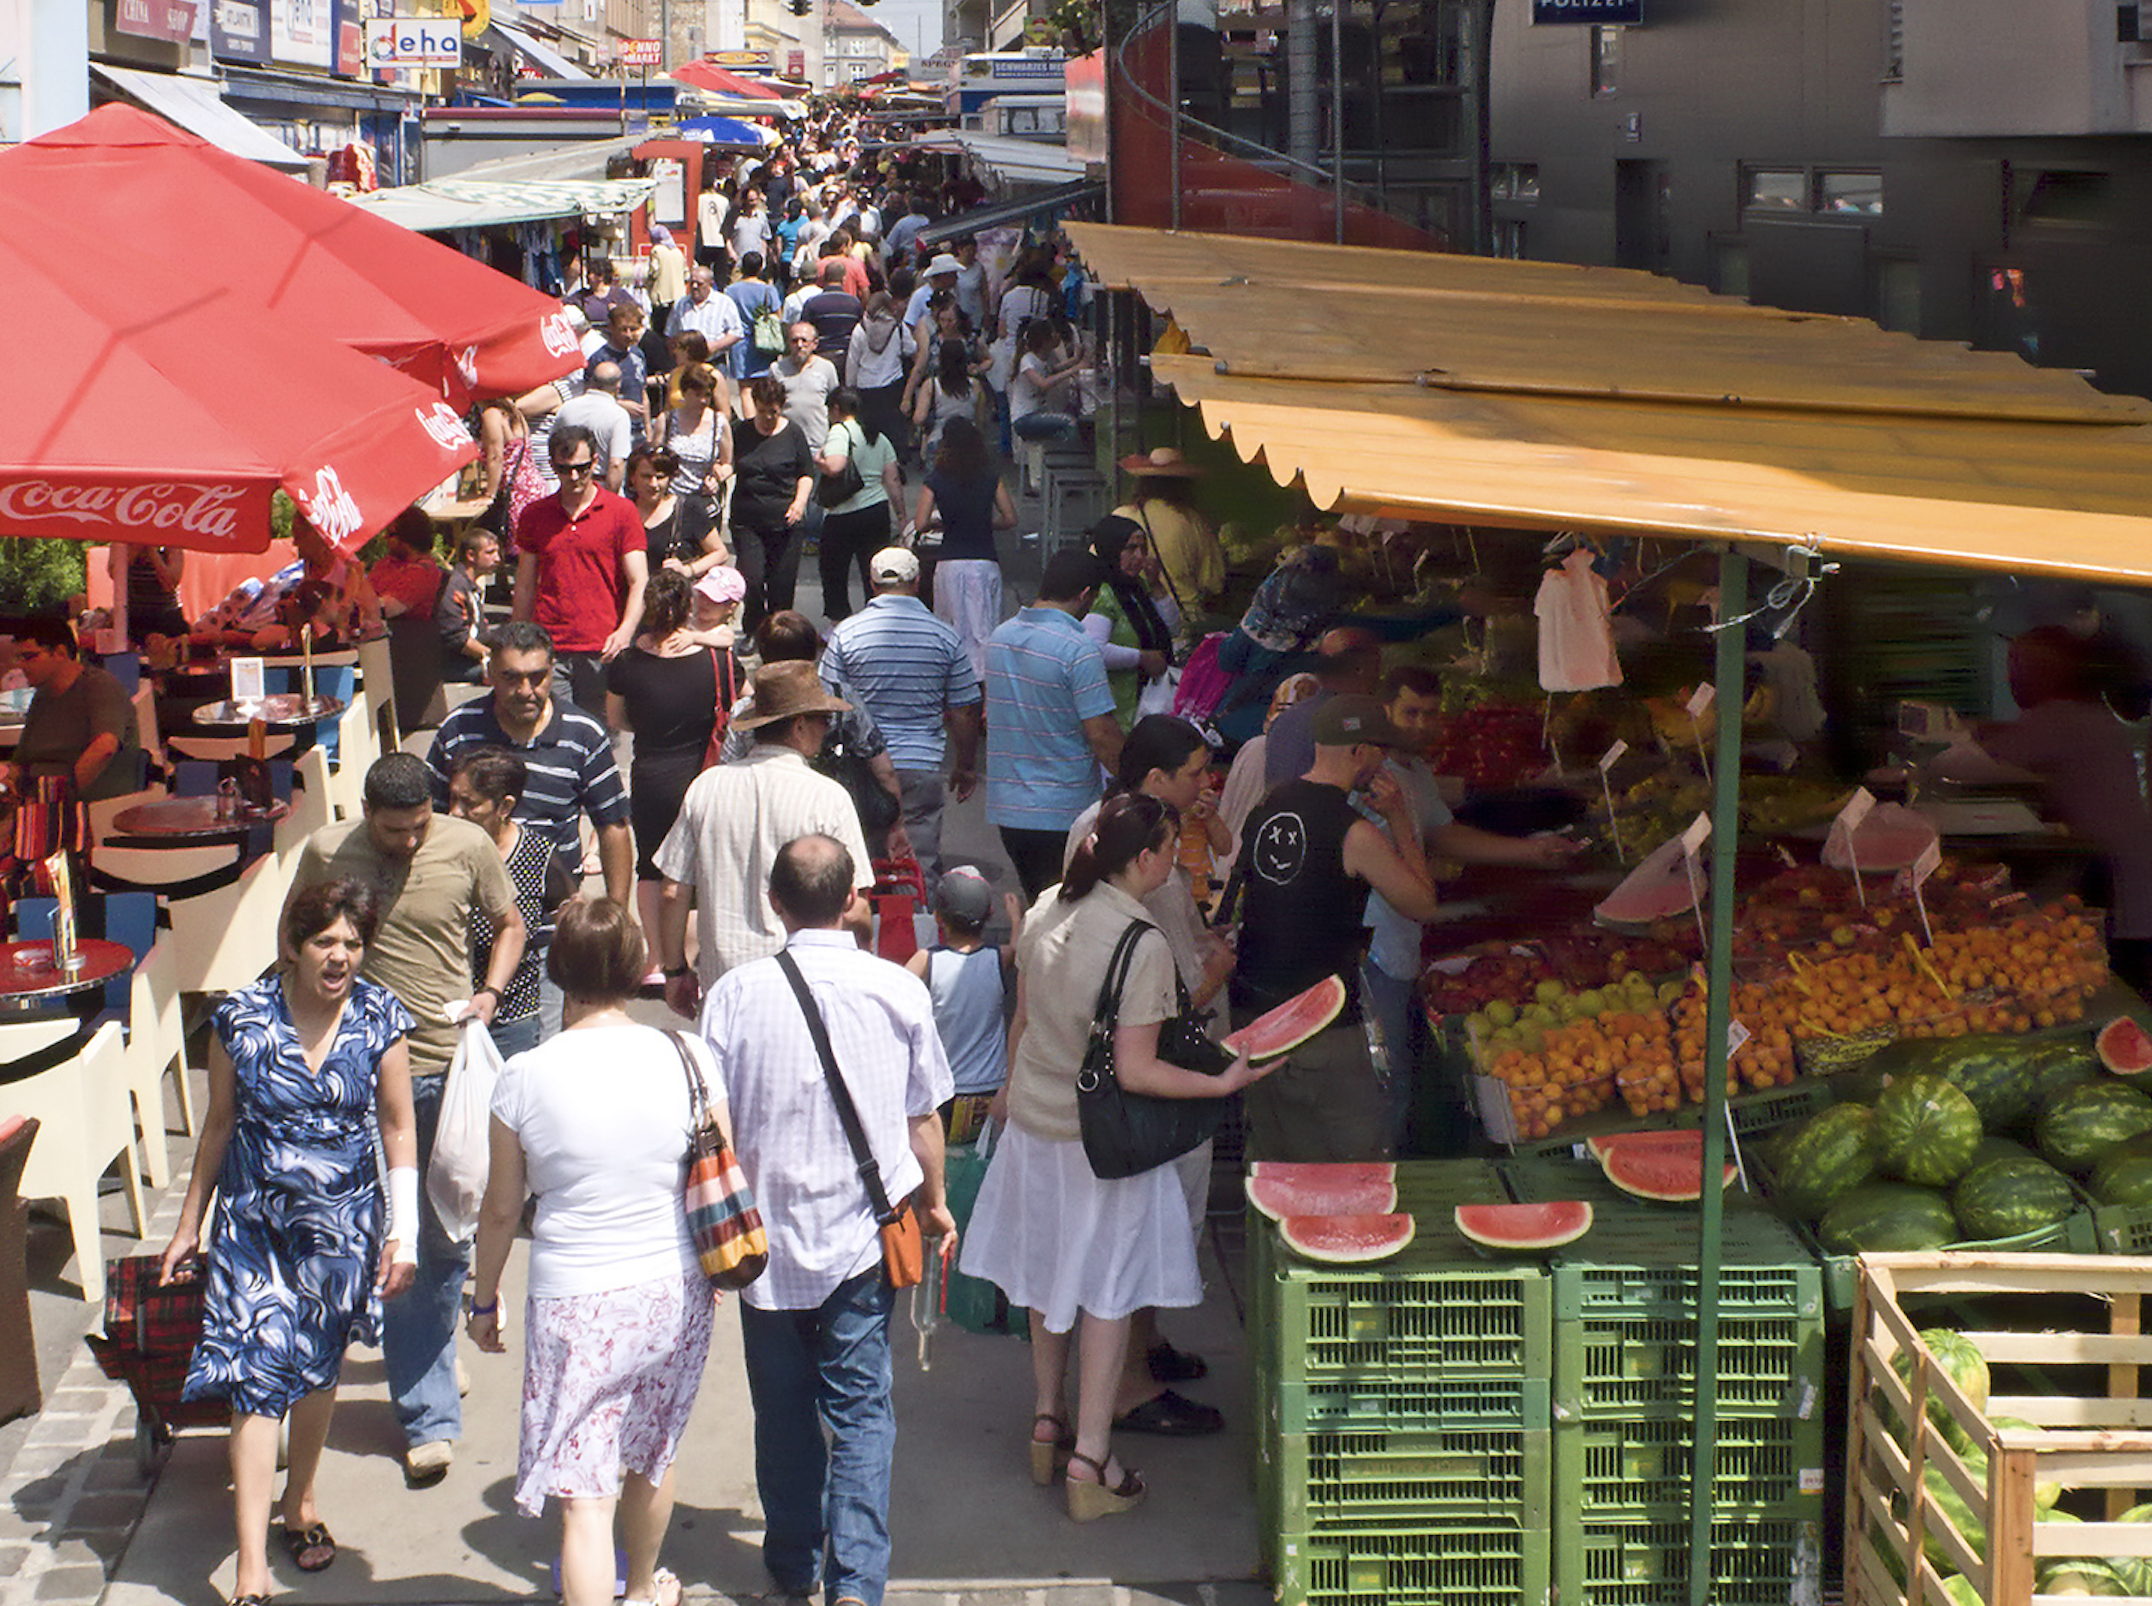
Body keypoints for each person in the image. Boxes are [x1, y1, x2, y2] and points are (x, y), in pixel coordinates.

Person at [960, 794, 1270, 1521]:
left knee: (1045, 1278)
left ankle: (1048, 1420)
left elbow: (1025, 1020)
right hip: (1102, 1146)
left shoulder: (1045, 909)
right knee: (1106, 1293)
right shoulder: (1141, 941)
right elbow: (1136, 1070)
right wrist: (1221, 1082)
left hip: (1035, 1129)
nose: (1176, 862)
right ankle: (1092, 1461)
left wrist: (1009, 1090)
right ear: (1145, 859)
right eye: (1170, 849)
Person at [696, 835, 956, 1605]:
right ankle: (856, 1583)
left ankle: (793, 1560)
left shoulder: (734, 996)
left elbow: (710, 1129)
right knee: (862, 1410)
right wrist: (935, 1203)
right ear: (852, 899)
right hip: (863, 1239)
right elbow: (923, 1119)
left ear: (774, 904)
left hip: (762, 1245)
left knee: (782, 1410)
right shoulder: (898, 990)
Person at [159, 878, 418, 1605]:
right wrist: (188, 1225)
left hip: (342, 1231)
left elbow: (398, 1126)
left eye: (353, 944)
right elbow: (218, 1125)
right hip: (255, 1228)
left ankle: (299, 1500)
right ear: (294, 946)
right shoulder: (240, 1019)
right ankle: (251, 1568)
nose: (340, 957)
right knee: (257, 1376)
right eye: (325, 942)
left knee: (317, 1370)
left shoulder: (379, 1016)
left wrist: (404, 1233)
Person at [286, 754, 525, 1486]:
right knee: (364, 1237)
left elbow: (510, 923)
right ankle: (421, 1372)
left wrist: (489, 993)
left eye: (421, 825)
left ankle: (427, 1401)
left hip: (443, 1070)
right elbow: (293, 938)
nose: (411, 841)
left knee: (440, 1237)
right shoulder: (327, 850)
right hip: (355, 1075)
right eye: (396, 831)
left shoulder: (467, 844)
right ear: (366, 814)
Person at [467, 897, 714, 1606]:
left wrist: (483, 1299)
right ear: (636, 968)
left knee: (583, 1498)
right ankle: (642, 1590)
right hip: (673, 1287)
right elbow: (719, 1168)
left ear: (558, 972)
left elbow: (502, 1209)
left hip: (574, 1298)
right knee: (652, 1453)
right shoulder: (687, 1055)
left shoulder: (524, 1076)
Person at [1230, 696, 1440, 1162]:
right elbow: (1422, 904)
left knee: (1274, 1159)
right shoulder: (1355, 833)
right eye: (1380, 750)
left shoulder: (1268, 804)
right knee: (1351, 1166)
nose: (1384, 761)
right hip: (1321, 1032)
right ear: (1359, 751)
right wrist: (1400, 818)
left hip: (1253, 1017)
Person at [425, 620, 636, 1040]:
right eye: (511, 678)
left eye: (537, 677)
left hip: (549, 937)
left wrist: (614, 916)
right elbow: (432, 819)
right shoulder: (458, 730)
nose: (526, 690)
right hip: (463, 933)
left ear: (552, 670)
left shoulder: (583, 734)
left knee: (544, 1050)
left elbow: (612, 825)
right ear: (490, 674)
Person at [655, 662, 877, 1010]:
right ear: (799, 726)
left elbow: (672, 892)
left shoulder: (706, 788)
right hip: (806, 987)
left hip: (724, 985)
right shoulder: (829, 798)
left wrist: (675, 971)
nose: (827, 728)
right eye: (823, 719)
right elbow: (855, 907)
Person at [1956, 625, 2152, 995]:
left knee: (2119, 985)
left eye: (2020, 668)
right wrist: (1979, 728)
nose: (2012, 679)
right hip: (2128, 867)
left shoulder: (2057, 718)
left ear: (2052, 673)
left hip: (2115, 875)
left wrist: (1949, 736)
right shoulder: (2089, 714)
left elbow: (1971, 766)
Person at [818, 546, 980, 887]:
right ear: (918, 582)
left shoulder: (846, 634)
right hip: (921, 765)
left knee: (857, 866)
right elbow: (965, 709)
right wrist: (965, 765)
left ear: (872, 584)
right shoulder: (945, 636)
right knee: (916, 869)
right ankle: (917, 918)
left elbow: (828, 703)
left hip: (861, 768)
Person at [606, 568, 737, 952]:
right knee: (696, 870)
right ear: (687, 607)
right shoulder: (717, 660)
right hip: (702, 777)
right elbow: (742, 705)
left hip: (650, 777)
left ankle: (656, 959)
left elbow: (616, 719)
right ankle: (687, 957)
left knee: (649, 868)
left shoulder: (627, 663)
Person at [984, 548, 1124, 901]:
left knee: (1040, 904)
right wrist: (1133, 781)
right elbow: (1102, 735)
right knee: (1067, 910)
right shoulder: (1079, 649)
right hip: (1065, 811)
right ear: (1085, 595)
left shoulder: (1000, 637)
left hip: (1009, 809)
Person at [513, 424, 650, 714]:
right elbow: (524, 584)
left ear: (595, 462)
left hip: (603, 646)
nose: (574, 477)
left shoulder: (621, 511)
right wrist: (517, 640)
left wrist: (625, 631)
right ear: (553, 466)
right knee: (553, 726)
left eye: (582, 468)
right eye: (564, 469)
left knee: (600, 730)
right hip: (549, 644)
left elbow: (639, 581)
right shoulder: (534, 515)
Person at [446, 747, 552, 1060]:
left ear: (505, 806)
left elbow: (563, 928)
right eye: (452, 799)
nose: (455, 813)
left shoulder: (538, 855)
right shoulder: (441, 849)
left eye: (470, 804)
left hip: (512, 1018)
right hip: (451, 1014)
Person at [904, 866, 1020, 1144]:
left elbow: (896, 985)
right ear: (990, 914)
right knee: (982, 1156)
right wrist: (1016, 919)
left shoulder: (927, 960)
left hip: (943, 1089)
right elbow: (1018, 948)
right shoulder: (998, 957)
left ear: (938, 918)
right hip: (991, 1089)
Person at [914, 418, 1014, 682]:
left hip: (950, 561)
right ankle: (985, 687)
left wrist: (940, 523)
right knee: (985, 630)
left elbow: (920, 523)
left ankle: (953, 684)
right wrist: (984, 521)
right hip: (985, 560)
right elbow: (1010, 518)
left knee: (950, 627)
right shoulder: (991, 477)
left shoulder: (935, 479)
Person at [4, 620, 141, 803]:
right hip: (38, 796)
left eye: (29, 657)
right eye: (18, 659)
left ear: (60, 653)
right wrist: (10, 780)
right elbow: (21, 760)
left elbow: (104, 748)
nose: (21, 666)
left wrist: (59, 794)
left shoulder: (99, 686)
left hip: (89, 804)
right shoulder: (42, 696)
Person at [731, 374, 819, 634]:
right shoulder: (742, 432)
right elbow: (727, 461)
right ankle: (753, 628)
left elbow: (806, 473)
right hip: (748, 519)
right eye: (762, 411)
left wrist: (799, 503)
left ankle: (779, 632)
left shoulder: (793, 433)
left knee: (782, 584)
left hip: (785, 520)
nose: (768, 417)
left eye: (773, 411)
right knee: (752, 579)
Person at [816, 389, 905, 621]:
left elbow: (835, 465)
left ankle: (839, 623)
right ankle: (876, 620)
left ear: (836, 408)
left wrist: (820, 461)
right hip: (877, 510)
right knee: (874, 572)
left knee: (834, 573)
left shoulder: (839, 431)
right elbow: (893, 479)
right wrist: (901, 516)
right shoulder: (877, 436)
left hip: (843, 515)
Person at [1082, 515, 1179, 727]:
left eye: (1143, 549)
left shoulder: (1138, 588)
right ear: (1112, 549)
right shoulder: (1102, 593)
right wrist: (1142, 658)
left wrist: (1156, 586)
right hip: (1116, 711)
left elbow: (1173, 628)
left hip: (1147, 703)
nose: (1139, 557)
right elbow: (1093, 650)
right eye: (1130, 549)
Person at [1265, 626, 1385, 787]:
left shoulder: (1287, 718)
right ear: (1361, 668)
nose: (1379, 677)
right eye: (1377, 665)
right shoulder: (1348, 722)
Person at [1113, 448, 1223, 610]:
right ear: (1183, 485)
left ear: (1141, 483)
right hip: (1181, 615)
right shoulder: (1192, 522)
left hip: (1133, 615)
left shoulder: (1120, 516)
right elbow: (1213, 583)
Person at [653, 364, 735, 574]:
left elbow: (728, 463)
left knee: (705, 560)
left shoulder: (718, 422)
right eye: (697, 395)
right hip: (671, 499)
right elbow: (653, 460)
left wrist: (718, 477)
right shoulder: (667, 420)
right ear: (684, 393)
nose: (703, 401)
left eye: (707, 395)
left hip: (702, 502)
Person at [474, 396, 551, 551]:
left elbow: (495, 457)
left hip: (516, 490)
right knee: (534, 548)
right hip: (534, 486)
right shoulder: (513, 411)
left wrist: (489, 494)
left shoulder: (492, 414)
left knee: (520, 550)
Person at [844, 293, 911, 454]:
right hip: (892, 386)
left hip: (866, 388)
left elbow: (853, 361)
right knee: (892, 429)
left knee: (869, 432)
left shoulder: (860, 329)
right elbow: (910, 349)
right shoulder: (898, 327)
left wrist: (850, 386)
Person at [552, 366, 635, 493]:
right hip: (600, 487)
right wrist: (610, 498)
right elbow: (616, 464)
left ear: (592, 381)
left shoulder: (567, 408)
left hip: (568, 484)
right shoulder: (618, 415)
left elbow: (553, 448)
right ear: (618, 386)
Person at [911, 338, 988, 471]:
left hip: (939, 441)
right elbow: (981, 419)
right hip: (969, 442)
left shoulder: (931, 385)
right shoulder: (974, 385)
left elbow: (919, 418)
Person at [437, 529, 500, 686]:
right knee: (509, 673)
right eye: (490, 552)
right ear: (471, 555)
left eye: (497, 552)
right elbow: (457, 639)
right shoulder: (454, 587)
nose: (497, 558)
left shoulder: (469, 585)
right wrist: (494, 657)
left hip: (472, 655)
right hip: (457, 663)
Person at [1008, 319, 1086, 445]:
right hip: (1024, 417)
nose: (1057, 337)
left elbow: (1055, 369)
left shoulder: (1042, 359)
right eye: (1053, 334)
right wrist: (1074, 369)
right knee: (1069, 422)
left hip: (1036, 412)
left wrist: (1076, 360)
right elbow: (1043, 383)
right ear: (1044, 341)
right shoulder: (1027, 361)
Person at [775, 321, 844, 453]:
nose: (799, 345)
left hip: (817, 445)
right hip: (786, 445)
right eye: (794, 341)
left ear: (815, 344)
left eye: (804, 340)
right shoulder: (777, 369)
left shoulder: (827, 368)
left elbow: (835, 405)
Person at [587, 303, 652, 442]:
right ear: (611, 328)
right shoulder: (600, 359)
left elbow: (643, 392)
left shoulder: (637, 354)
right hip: (611, 428)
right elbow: (589, 396)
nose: (628, 335)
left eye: (633, 329)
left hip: (638, 431)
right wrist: (621, 404)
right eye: (623, 329)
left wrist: (648, 429)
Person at [370, 509, 445, 622]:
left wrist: (356, 574)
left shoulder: (422, 573)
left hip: (399, 630)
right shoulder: (387, 563)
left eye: (390, 534)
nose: (385, 538)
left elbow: (383, 610)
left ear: (407, 537)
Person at [667, 264, 746, 370]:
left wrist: (715, 345)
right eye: (692, 282)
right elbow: (670, 333)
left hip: (714, 362)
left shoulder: (724, 303)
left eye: (699, 283)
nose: (694, 286)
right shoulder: (680, 304)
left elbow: (737, 332)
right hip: (686, 364)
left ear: (710, 284)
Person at [107, 542, 186, 646]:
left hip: (166, 615)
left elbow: (169, 585)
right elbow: (115, 574)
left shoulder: (172, 547)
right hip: (133, 615)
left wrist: (152, 552)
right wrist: (135, 550)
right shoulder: (121, 545)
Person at [725, 251, 783, 380]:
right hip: (764, 342)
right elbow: (778, 315)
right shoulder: (769, 290)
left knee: (744, 385)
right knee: (763, 383)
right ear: (760, 268)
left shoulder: (730, 290)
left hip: (739, 342)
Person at [801, 258, 864, 360]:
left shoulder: (812, 303)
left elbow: (804, 331)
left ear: (824, 279)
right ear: (844, 280)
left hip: (820, 356)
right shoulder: (854, 303)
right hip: (848, 356)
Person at [646, 223, 689, 337]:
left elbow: (654, 271)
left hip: (662, 297)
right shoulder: (678, 252)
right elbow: (686, 275)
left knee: (660, 330)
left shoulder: (656, 250)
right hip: (678, 296)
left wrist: (648, 283)